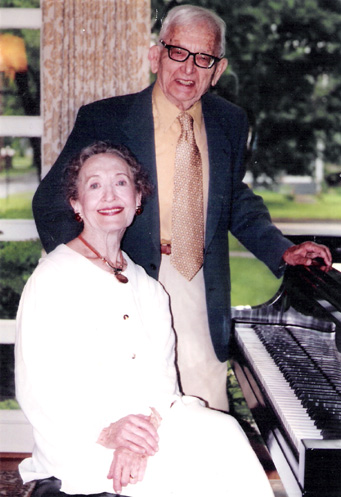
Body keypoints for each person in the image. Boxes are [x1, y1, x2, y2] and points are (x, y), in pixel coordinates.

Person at [32, 5, 332, 412]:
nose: (189, 69)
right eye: (178, 52)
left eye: (203, 58)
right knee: (130, 413)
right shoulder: (106, 118)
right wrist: (89, 271)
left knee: (202, 413)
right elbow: (51, 203)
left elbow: (233, 197)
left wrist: (282, 249)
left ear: (218, 69)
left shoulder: (230, 121)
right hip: (125, 282)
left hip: (198, 289)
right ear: (157, 55)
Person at [16, 141, 275, 497]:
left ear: (138, 198)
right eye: (94, 185)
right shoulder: (52, 279)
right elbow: (40, 390)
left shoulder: (148, 287)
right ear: (77, 204)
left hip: (148, 428)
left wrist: (139, 435)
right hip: (81, 440)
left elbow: (163, 379)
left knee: (225, 433)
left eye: (121, 183)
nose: (110, 195)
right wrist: (109, 433)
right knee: (190, 477)